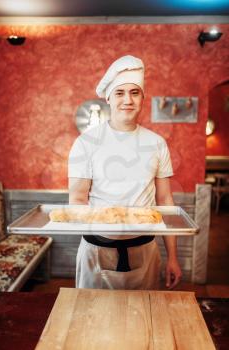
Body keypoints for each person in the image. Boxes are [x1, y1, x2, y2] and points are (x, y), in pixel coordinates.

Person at [68, 55, 182, 290]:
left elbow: (165, 201)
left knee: (143, 319)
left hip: (145, 251)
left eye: (134, 92)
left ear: (143, 98)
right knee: (92, 320)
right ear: (108, 98)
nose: (127, 100)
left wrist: (172, 257)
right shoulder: (87, 142)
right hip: (96, 252)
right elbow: (77, 199)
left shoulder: (157, 143)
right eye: (120, 93)